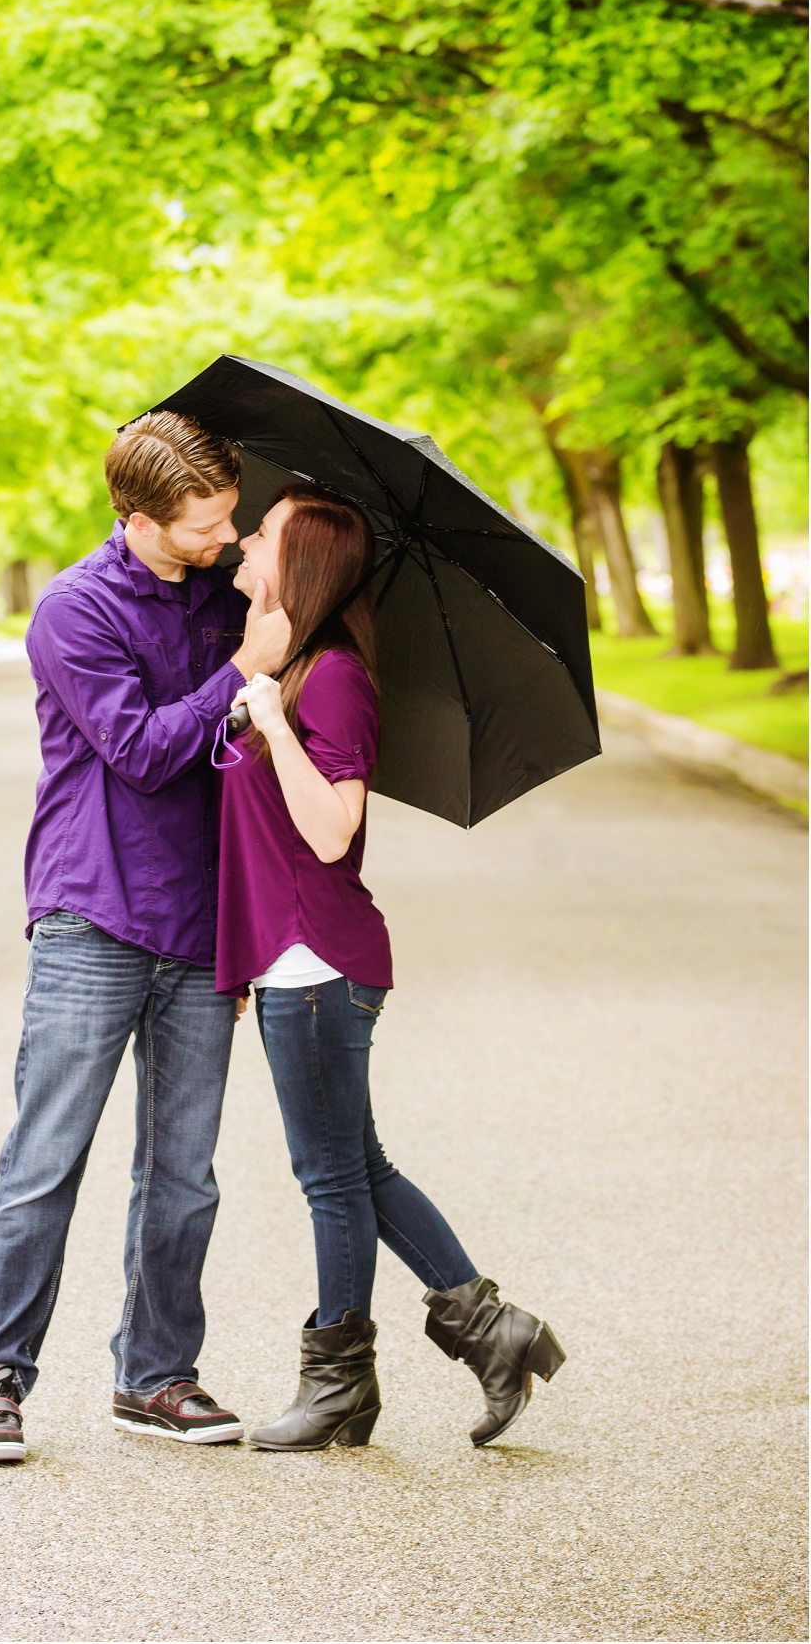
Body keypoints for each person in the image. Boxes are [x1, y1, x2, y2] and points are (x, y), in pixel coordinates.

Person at [0, 411, 290, 1463]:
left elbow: (239, 775)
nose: (227, 540)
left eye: (232, 517)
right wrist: (242, 674)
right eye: (204, 525)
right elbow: (144, 753)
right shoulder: (73, 609)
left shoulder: (225, 595)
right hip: (91, 913)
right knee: (46, 1156)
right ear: (136, 516)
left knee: (184, 1170)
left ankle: (155, 1375)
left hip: (200, 921)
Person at [215, 483, 565, 1452]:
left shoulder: (330, 680)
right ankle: (493, 1329)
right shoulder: (289, 667)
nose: (246, 539)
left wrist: (273, 725)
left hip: (319, 962)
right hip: (295, 959)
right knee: (357, 1166)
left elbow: (330, 834)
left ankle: (339, 1384)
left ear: (305, 564)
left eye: (266, 533)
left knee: (330, 1177)